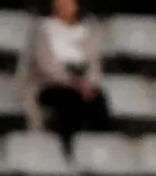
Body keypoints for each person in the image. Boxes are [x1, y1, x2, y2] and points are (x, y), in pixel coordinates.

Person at [18, 0, 112, 150]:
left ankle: (102, 148)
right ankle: (66, 147)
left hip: (81, 86)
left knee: (99, 99)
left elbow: (94, 64)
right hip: (49, 85)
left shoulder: (86, 33)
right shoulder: (43, 32)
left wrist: (88, 85)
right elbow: (46, 65)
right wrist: (73, 82)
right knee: (68, 99)